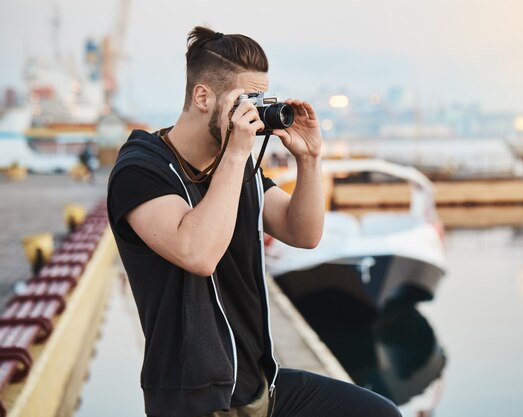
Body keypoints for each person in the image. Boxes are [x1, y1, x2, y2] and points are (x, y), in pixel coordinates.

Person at [107, 26, 401, 417]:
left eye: (259, 99)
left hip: (260, 384)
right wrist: (235, 154)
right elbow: (198, 253)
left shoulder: (237, 167)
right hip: (194, 398)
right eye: (245, 99)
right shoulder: (141, 170)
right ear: (202, 96)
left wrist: (309, 158)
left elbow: (304, 233)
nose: (254, 113)